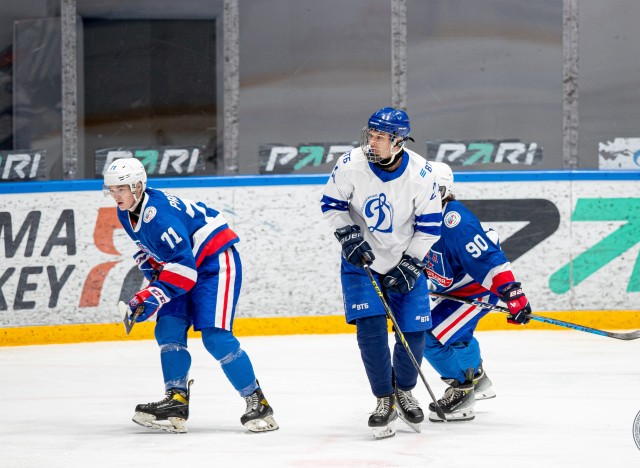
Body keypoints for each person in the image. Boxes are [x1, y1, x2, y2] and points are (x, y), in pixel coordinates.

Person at [103, 158, 278, 434]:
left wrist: (152, 295)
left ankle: (258, 403)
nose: (115, 196)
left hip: (213, 262)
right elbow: (150, 250)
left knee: (215, 337)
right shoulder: (125, 212)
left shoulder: (160, 215)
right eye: (111, 190)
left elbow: (185, 271)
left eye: (121, 189)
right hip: (185, 264)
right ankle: (176, 399)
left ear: (138, 186)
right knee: (168, 328)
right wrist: (151, 279)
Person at [320, 107, 442, 439]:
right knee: (370, 330)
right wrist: (347, 236)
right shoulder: (350, 164)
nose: (371, 142)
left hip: (405, 257)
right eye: (370, 135)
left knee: (414, 332)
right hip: (361, 261)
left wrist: (413, 262)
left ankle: (404, 390)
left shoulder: (422, 174)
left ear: (399, 141)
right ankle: (384, 399)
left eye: (379, 137)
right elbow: (332, 205)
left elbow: (430, 227)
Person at [422, 161, 532, 422]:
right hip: (456, 287)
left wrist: (512, 292)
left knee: (425, 334)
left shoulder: (456, 222)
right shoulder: (422, 214)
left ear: (440, 190)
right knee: (457, 337)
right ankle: (478, 379)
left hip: (476, 290)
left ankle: (462, 391)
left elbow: (489, 258)